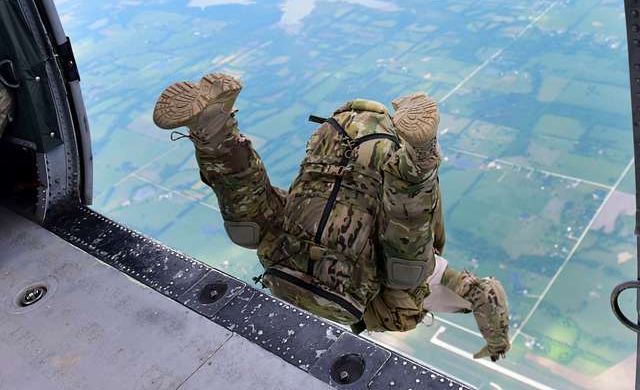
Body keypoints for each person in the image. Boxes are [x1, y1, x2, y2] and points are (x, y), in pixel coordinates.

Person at [153, 72, 510, 361]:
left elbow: (483, 294)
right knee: (406, 272)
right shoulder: (433, 281)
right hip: (334, 292)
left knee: (254, 223)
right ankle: (416, 165)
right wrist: (497, 346)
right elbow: (484, 292)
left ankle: (213, 130)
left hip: (288, 261)